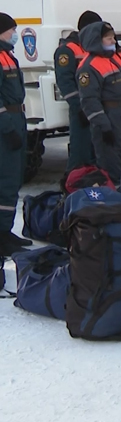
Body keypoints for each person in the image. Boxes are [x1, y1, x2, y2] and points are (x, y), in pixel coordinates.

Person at [77, 21, 121, 192]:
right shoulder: (89, 66)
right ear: (97, 40)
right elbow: (89, 100)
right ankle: (113, 204)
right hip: (111, 119)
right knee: (111, 166)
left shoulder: (120, 58)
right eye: (108, 38)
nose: (113, 41)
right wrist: (103, 126)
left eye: (113, 38)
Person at [53, 10, 101, 171]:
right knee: (81, 154)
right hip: (81, 109)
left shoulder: (91, 47)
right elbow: (65, 82)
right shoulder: (68, 50)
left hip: (97, 108)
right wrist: (78, 107)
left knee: (96, 154)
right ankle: (73, 188)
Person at [0, 13, 31, 256]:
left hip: (16, 119)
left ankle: (6, 231)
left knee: (15, 178)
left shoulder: (7, 56)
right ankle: (1, 236)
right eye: (11, 30)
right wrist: (8, 127)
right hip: (6, 124)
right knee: (6, 181)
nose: (14, 34)